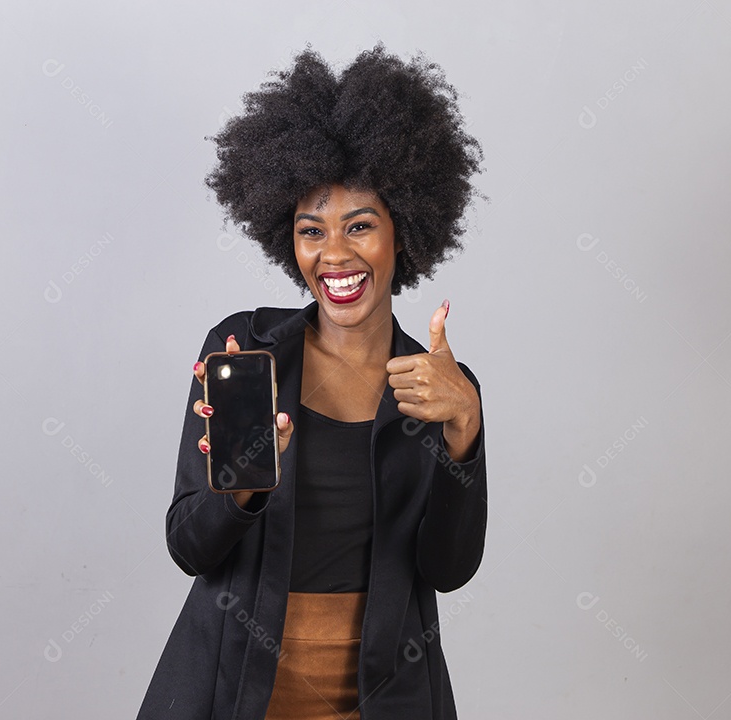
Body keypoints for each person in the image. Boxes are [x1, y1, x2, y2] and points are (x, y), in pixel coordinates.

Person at [137, 44, 487, 720]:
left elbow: (448, 570)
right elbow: (189, 546)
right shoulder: (243, 348)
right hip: (233, 689)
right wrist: (239, 492)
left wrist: (464, 430)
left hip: (386, 696)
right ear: (286, 239)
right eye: (311, 231)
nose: (334, 255)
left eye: (360, 226)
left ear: (402, 234)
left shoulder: (439, 386)